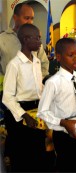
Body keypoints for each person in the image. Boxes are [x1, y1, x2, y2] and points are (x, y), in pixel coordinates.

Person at [37, 37, 76, 172]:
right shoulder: (53, 82)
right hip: (62, 133)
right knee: (65, 166)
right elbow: (42, 112)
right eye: (71, 55)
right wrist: (64, 123)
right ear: (58, 57)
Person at [2, 23, 52, 172]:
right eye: (36, 38)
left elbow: (38, 90)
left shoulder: (36, 61)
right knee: (22, 154)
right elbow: (7, 97)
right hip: (20, 112)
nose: (40, 42)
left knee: (37, 152)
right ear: (25, 39)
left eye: (40, 38)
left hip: (35, 111)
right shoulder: (14, 65)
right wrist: (24, 115)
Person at [0, 2, 49, 78]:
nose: (30, 22)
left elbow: (44, 64)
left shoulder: (35, 39)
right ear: (15, 18)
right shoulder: (2, 39)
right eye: (26, 18)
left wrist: (35, 81)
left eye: (32, 18)